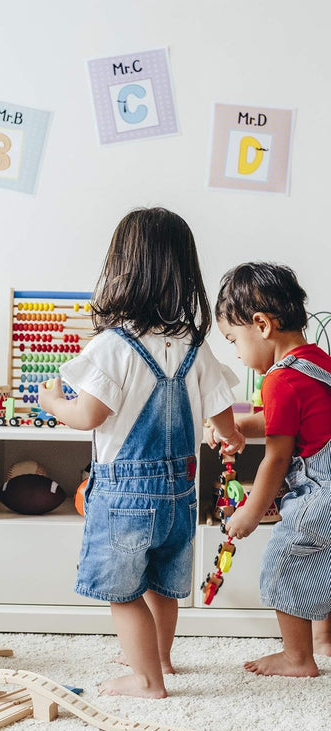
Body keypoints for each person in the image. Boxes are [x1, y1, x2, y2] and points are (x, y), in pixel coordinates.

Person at [39, 207, 243, 698]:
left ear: (122, 271)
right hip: (181, 492)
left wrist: (52, 402)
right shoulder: (195, 344)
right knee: (162, 584)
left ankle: (146, 679)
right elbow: (224, 418)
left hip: (126, 495)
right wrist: (226, 436)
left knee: (123, 592)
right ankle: (162, 660)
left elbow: (88, 414)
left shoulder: (114, 345)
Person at [207, 262, 331, 677]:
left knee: (284, 560)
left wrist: (251, 512)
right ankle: (324, 639)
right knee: (322, 562)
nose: (238, 356)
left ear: (261, 325)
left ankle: (298, 659)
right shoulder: (317, 362)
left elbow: (277, 457)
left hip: (322, 493)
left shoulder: (278, 380)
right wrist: (238, 424)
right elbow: (288, 420)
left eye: (234, 341)